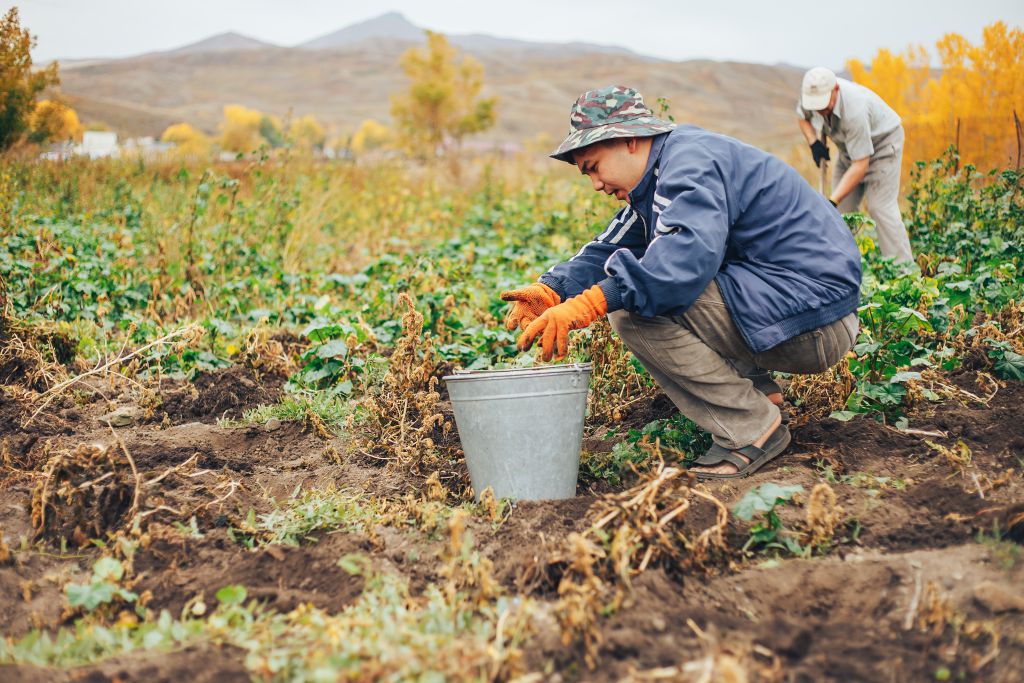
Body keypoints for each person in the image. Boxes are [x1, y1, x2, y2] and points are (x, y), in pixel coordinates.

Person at [500, 86, 861, 479]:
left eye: (593, 166)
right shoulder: (662, 172)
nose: (596, 185)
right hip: (795, 307)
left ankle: (752, 428)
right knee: (639, 284)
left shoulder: (689, 164)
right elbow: (611, 246)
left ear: (630, 140)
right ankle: (758, 391)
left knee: (633, 310)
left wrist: (590, 305)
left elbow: (679, 266)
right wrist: (553, 289)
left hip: (816, 323)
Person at [797, 67, 914, 262]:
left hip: (882, 146)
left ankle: (904, 272)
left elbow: (861, 165)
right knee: (841, 214)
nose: (819, 110)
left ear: (835, 89)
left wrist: (831, 201)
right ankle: (842, 268)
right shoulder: (811, 97)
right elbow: (802, 117)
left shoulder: (854, 109)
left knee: (880, 208)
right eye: (816, 106)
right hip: (849, 153)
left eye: (824, 105)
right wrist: (813, 142)